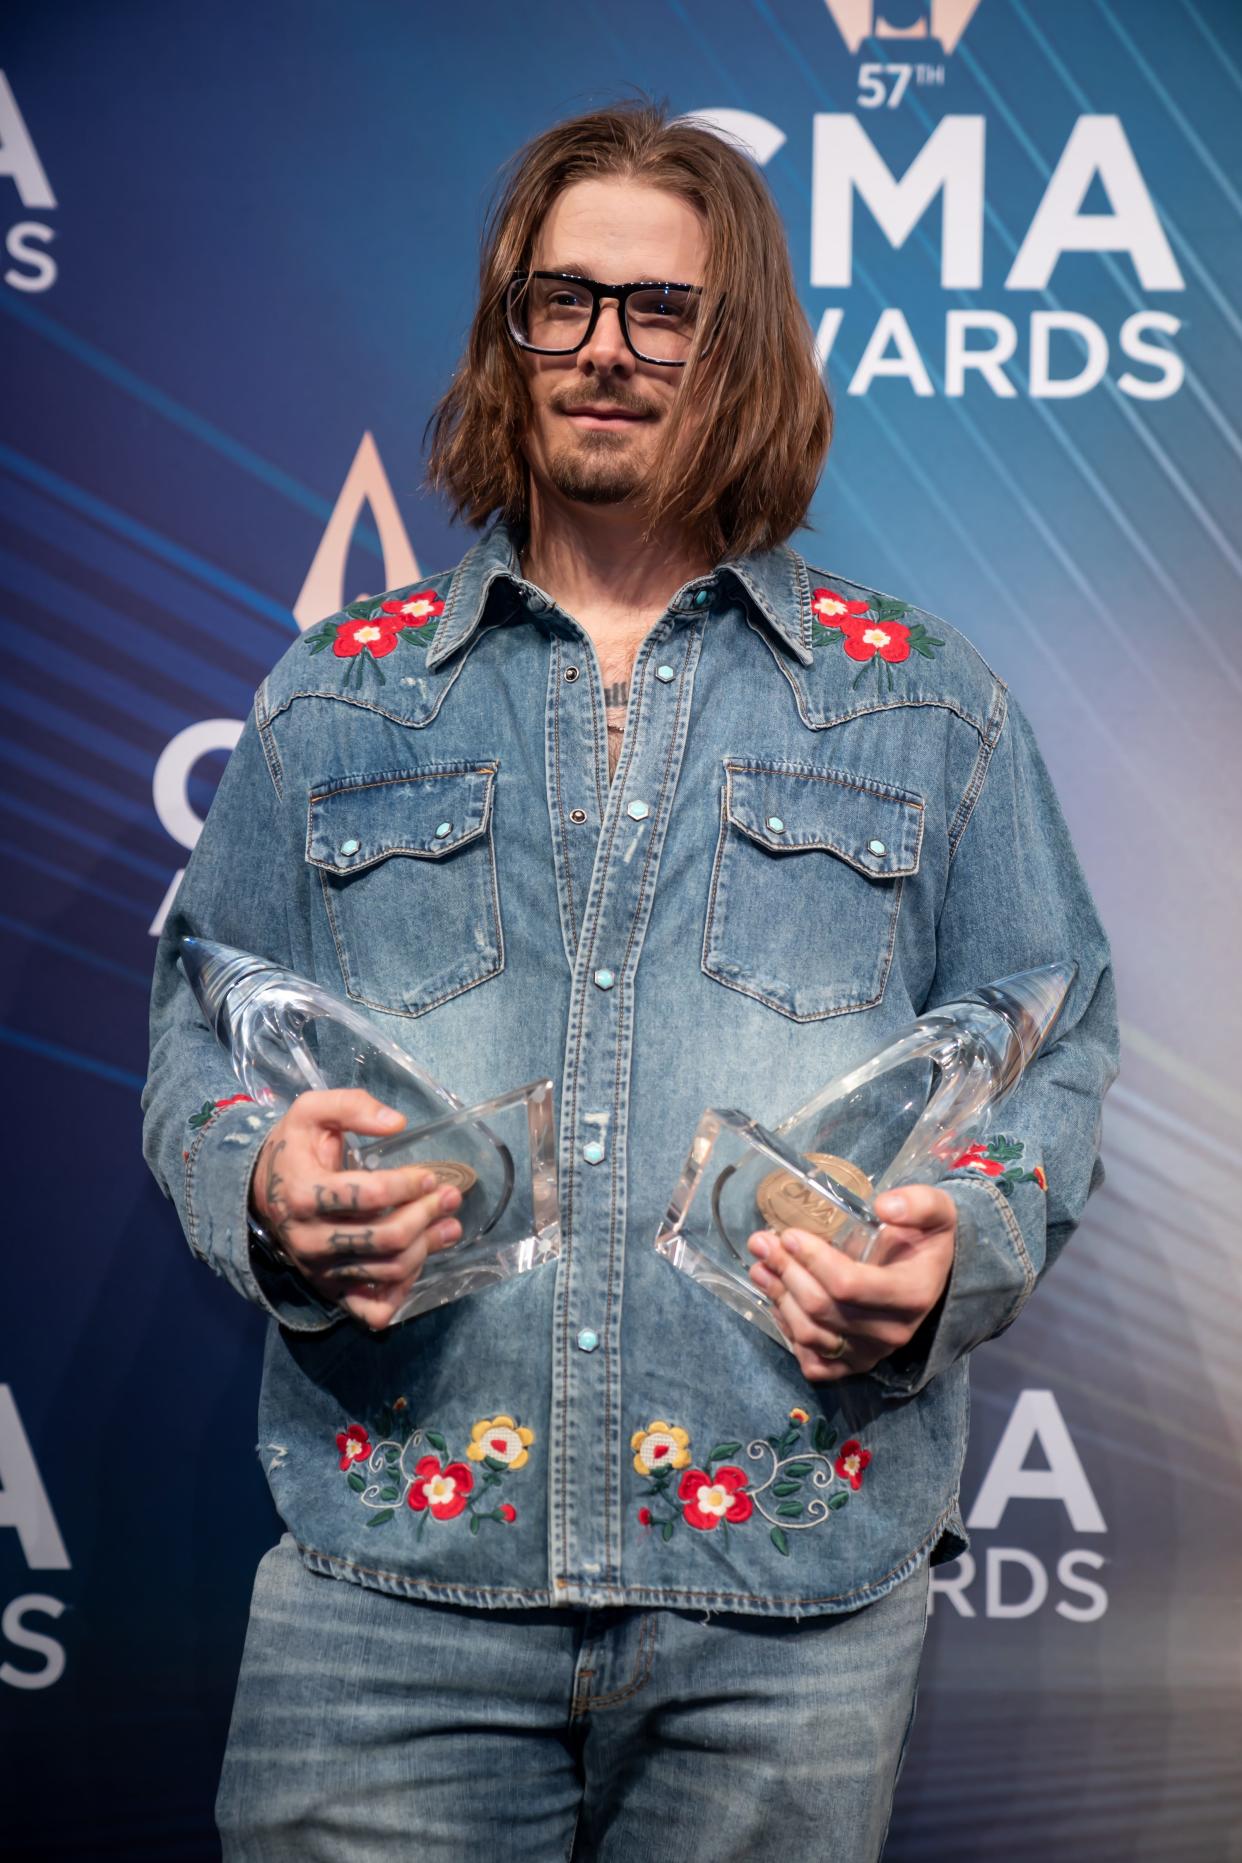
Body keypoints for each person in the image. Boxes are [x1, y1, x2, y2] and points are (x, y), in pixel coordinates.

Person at [142, 100, 1119, 1861]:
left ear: (734, 349)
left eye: (659, 310)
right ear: (505, 333)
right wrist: (260, 1186)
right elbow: (198, 1028)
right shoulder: (338, 698)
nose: (603, 350)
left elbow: (1055, 1038)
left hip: (787, 1607)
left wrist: (958, 1243)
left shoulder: (927, 708)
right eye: (559, 301)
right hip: (392, 1594)